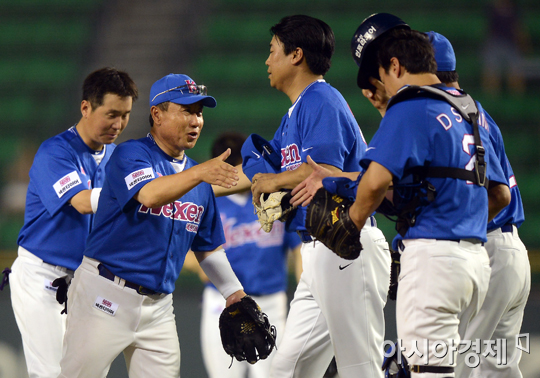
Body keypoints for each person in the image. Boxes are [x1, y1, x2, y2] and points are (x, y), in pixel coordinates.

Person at [344, 20, 511, 377]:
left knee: (426, 373)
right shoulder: (469, 110)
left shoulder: (409, 106)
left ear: (395, 66)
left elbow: (374, 185)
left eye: (383, 77)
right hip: (475, 264)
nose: (384, 87)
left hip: (435, 262)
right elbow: (499, 194)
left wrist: (349, 226)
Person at [57, 73, 246, 378]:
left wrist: (235, 294)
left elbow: (208, 249)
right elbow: (150, 194)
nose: (196, 121)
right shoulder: (130, 155)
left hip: (159, 309)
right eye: (186, 111)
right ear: (157, 114)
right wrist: (200, 174)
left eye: (199, 112)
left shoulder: (199, 176)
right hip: (105, 294)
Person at [243, 15, 391, 378]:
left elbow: (319, 172)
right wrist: (204, 178)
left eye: (272, 51)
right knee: (286, 369)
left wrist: (271, 180)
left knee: (360, 368)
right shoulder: (296, 111)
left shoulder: (321, 99)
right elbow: (266, 174)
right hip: (319, 252)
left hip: (346, 244)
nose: (267, 60)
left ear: (296, 55)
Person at [8, 67, 138, 378]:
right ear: (85, 107)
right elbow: (81, 202)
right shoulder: (55, 151)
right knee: (53, 373)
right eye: (111, 114)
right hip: (43, 277)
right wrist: (139, 194)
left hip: (87, 282)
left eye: (125, 115)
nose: (118, 124)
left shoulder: (116, 157)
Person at [427, 31, 531, 378]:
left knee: (454, 367)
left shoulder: (448, 113)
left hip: (488, 252)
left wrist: (451, 231)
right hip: (510, 251)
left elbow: (497, 195)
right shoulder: (475, 110)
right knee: (498, 371)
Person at [186, 131, 302, 378]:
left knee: (275, 375)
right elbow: (182, 250)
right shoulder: (210, 202)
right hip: (222, 303)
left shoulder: (274, 199)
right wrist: (201, 268)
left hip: (270, 301)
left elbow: (298, 250)